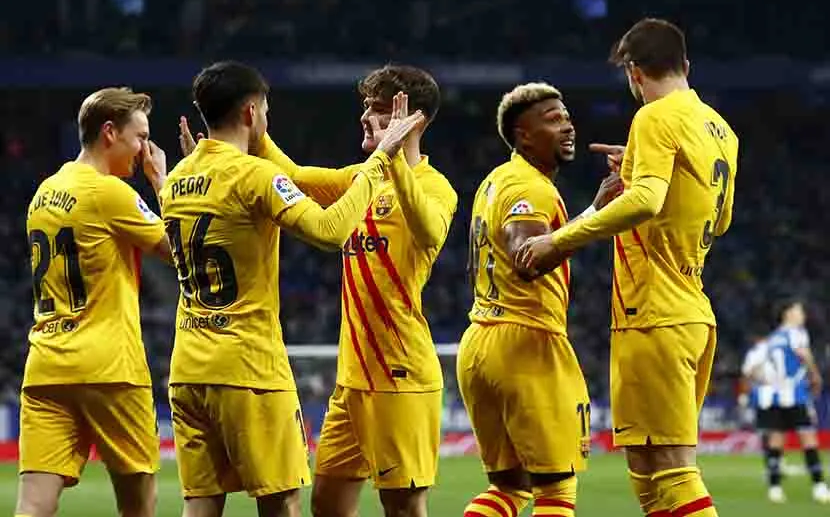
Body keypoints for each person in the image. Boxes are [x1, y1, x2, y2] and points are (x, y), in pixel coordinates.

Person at [181, 65, 457, 517]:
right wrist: (233, 142)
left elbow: (428, 232)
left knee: (404, 507)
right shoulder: (358, 178)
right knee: (326, 504)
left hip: (401, 374)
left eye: (380, 110)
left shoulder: (436, 187)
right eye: (365, 107)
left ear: (415, 121)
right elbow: (291, 174)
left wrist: (391, 157)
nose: (365, 117)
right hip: (351, 380)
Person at [519, 18, 740, 517]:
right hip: (688, 311)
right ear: (686, 65)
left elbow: (645, 201)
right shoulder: (721, 130)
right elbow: (721, 218)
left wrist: (559, 238)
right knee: (646, 471)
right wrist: (643, 170)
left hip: (656, 314)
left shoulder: (654, 117)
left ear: (634, 73)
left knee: (675, 471)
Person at [458, 82, 621, 517]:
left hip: (481, 340)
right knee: (556, 491)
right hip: (525, 343)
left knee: (510, 490)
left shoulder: (495, 180)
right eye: (552, 120)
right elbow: (526, 257)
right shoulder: (529, 187)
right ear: (523, 135)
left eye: (566, 116)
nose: (567, 126)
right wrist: (596, 213)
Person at [16, 87, 171, 517]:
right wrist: (161, 182)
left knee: (32, 506)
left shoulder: (44, 193)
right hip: (110, 369)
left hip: (47, 366)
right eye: (141, 137)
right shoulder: (110, 193)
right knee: (138, 505)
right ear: (109, 133)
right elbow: (181, 250)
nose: (146, 150)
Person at [741, 299, 828, 504]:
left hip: (773, 395)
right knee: (808, 439)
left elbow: (752, 370)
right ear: (788, 314)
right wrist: (815, 376)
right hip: (794, 393)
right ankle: (819, 486)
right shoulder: (796, 333)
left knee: (775, 441)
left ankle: (775, 488)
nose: (802, 315)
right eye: (799, 311)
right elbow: (803, 354)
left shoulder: (772, 339)